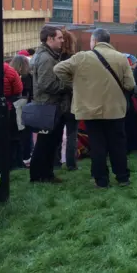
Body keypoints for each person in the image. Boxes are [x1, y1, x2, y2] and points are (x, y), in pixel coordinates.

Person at [54, 28, 135, 188]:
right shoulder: (121, 58)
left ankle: (101, 180)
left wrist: (76, 85)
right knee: (117, 144)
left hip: (90, 108)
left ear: (94, 41)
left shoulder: (82, 57)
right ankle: (122, 177)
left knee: (97, 145)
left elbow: (58, 69)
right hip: (115, 109)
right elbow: (130, 85)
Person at [29, 26, 69, 184]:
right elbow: (46, 84)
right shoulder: (47, 58)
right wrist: (66, 86)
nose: (62, 40)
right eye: (59, 38)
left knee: (47, 142)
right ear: (49, 39)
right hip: (49, 107)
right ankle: (41, 175)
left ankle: (43, 174)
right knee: (46, 143)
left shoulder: (45, 55)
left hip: (47, 106)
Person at [56, 28, 79, 171]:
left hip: (57, 101)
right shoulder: (75, 59)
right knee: (72, 134)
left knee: (56, 133)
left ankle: (56, 161)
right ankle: (71, 163)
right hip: (72, 101)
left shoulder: (54, 58)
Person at [10, 55, 33, 168]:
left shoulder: (11, 76)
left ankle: (17, 158)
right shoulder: (29, 77)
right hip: (27, 107)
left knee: (16, 134)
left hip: (14, 106)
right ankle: (26, 157)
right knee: (26, 133)